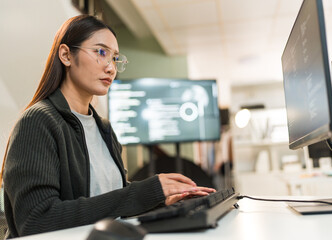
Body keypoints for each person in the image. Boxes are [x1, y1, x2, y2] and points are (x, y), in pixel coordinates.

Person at [0, 15, 215, 238]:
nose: (111, 68)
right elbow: (37, 220)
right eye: (100, 52)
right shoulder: (37, 122)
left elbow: (109, 199)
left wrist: (159, 201)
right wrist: (143, 193)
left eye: (114, 58)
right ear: (66, 55)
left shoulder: (103, 128)